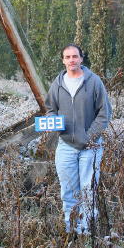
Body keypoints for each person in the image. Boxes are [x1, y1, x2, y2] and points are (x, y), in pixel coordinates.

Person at [45, 44, 112, 234]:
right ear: (63, 60)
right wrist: (52, 122)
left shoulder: (94, 82)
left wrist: (89, 137)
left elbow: (104, 113)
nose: (71, 60)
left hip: (91, 146)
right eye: (67, 57)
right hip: (66, 145)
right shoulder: (57, 84)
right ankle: (71, 230)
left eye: (75, 56)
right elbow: (51, 109)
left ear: (81, 59)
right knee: (68, 190)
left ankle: (87, 232)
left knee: (88, 190)